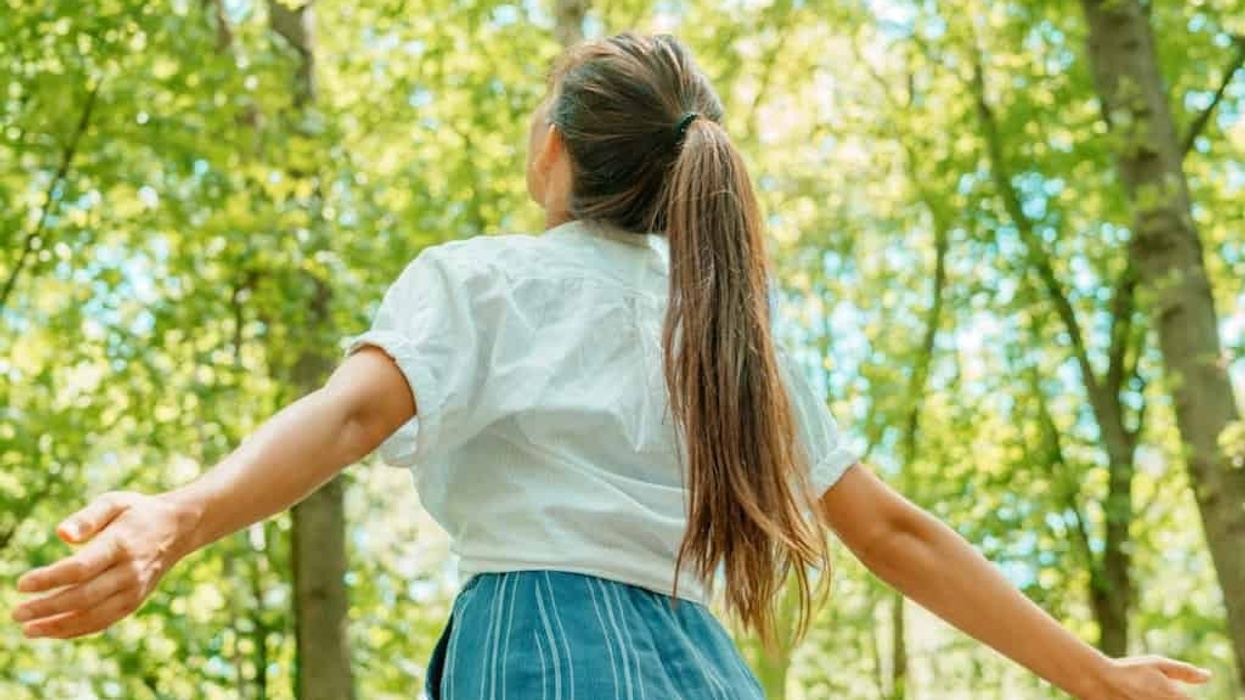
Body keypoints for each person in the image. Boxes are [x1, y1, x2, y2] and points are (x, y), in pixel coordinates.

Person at [12, 33, 1213, 700]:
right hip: (706, 666)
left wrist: (179, 514)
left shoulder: (485, 279)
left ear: (554, 150)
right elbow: (893, 533)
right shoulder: (733, 333)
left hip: (537, 646)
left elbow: (345, 420)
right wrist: (1092, 673)